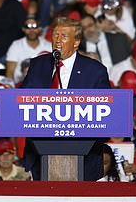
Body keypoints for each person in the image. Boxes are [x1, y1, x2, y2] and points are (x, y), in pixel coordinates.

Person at [21, 17, 111, 181]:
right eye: (55, 35)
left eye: (64, 36)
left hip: (84, 158)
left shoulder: (94, 71)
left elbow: (107, 113)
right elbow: (21, 102)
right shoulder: (38, 65)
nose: (57, 40)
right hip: (40, 155)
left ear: (76, 42)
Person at [5, 16, 51, 83]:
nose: (32, 30)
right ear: (23, 29)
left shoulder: (49, 46)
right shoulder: (16, 45)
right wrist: (11, 89)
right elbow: (10, 71)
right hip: (20, 86)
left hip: (43, 86)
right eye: (28, 27)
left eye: (35, 27)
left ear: (40, 28)